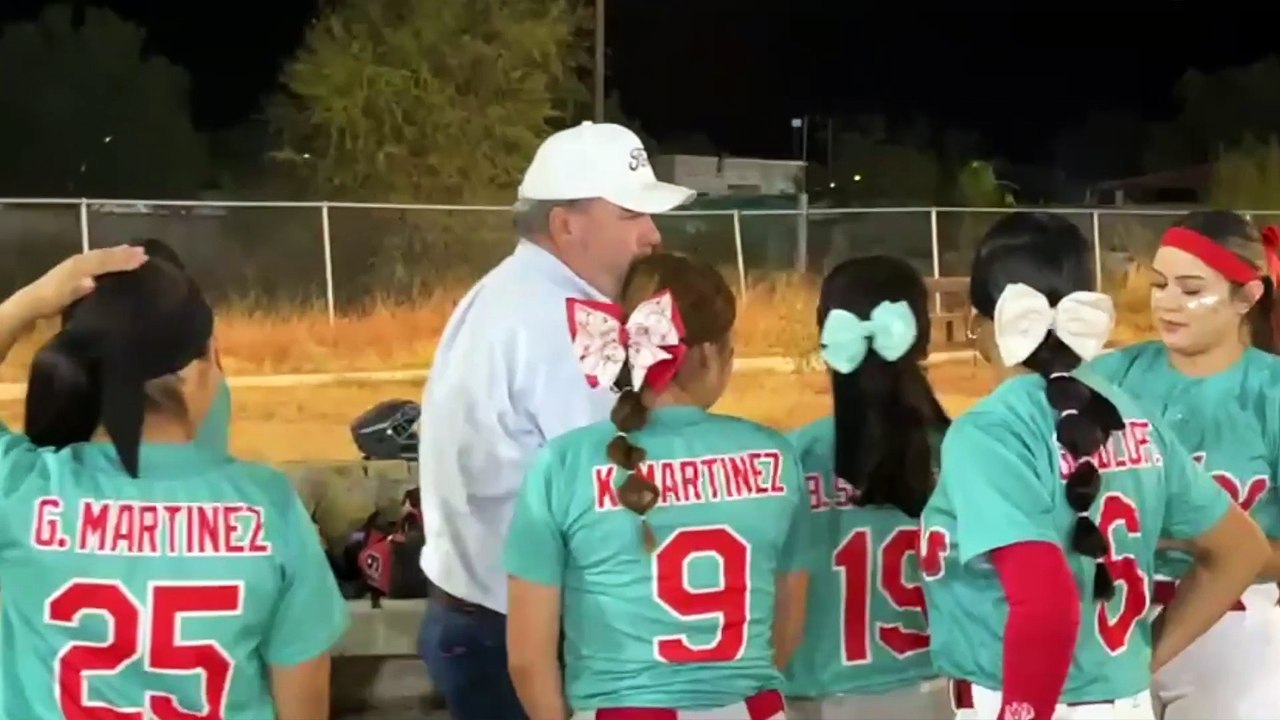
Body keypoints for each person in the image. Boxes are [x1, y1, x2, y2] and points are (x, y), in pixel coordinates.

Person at [920, 211, 1268, 720]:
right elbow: (1241, 549)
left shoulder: (991, 430)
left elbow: (1045, 601)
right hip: (1121, 700)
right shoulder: (1131, 416)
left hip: (1024, 697)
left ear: (978, 325)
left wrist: (1022, 712)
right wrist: (1141, 656)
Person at [416, 120, 696, 720]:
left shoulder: (510, 292)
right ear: (566, 224)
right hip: (517, 635)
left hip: (478, 614)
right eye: (632, 216)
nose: (653, 235)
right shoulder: (560, 323)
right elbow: (605, 509)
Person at [0, 246, 349, 719]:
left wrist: (29, 302)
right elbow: (302, 704)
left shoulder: (23, 490)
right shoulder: (269, 508)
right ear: (198, 370)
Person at [504, 252, 818, 720]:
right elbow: (787, 628)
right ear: (711, 354)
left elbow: (529, 659)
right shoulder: (777, 454)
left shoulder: (563, 464)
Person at [1086, 209, 1280, 720]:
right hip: (1110, 612)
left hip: (1232, 621)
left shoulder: (1271, 392)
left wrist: (1217, 545)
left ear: (1248, 296)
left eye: (1191, 290)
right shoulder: (1112, 374)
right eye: (1161, 283)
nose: (1168, 302)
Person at [784, 255, 952, 720]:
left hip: (815, 700)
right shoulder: (963, 451)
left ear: (827, 333)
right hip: (936, 695)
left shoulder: (791, 457)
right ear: (923, 336)